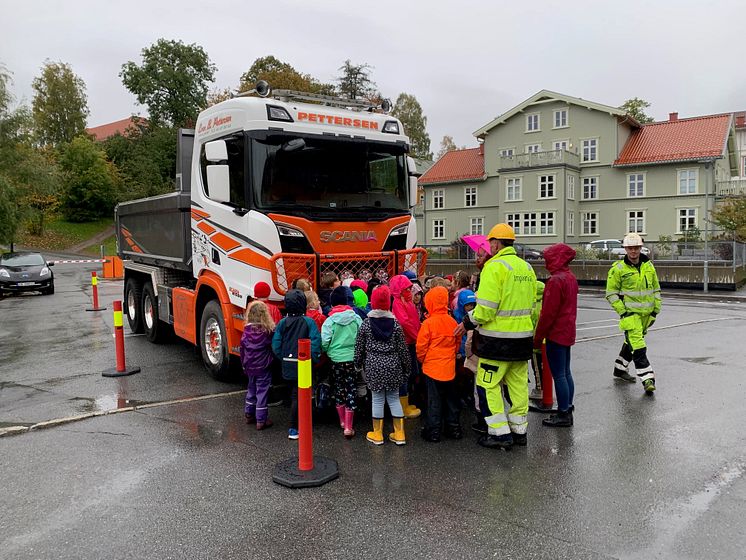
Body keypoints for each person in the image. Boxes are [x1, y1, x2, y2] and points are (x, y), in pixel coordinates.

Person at [455, 223, 537, 450]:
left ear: (496, 243)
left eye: (491, 242)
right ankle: (519, 431)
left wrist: (466, 322)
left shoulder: (494, 267)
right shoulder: (526, 268)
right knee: (518, 386)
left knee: (487, 385)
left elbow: (486, 310)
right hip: (522, 341)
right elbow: (531, 305)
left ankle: (499, 434)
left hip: (496, 343)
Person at [605, 232, 662, 394]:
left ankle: (619, 368)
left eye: (636, 248)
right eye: (630, 248)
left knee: (631, 342)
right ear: (625, 249)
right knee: (638, 347)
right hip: (631, 316)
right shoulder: (618, 269)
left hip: (647, 315)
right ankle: (648, 379)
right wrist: (624, 312)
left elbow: (656, 289)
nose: (633, 251)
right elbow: (611, 294)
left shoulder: (648, 266)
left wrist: (656, 309)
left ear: (640, 248)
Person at [354, 285, 411, 445]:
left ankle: (377, 434)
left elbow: (359, 347)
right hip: (393, 365)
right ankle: (399, 434)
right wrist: (407, 368)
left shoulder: (366, 324)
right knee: (394, 398)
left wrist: (357, 364)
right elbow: (403, 349)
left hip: (373, 365)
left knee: (377, 399)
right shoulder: (396, 325)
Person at [533, 244, 578, 427]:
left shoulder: (555, 281)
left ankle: (563, 414)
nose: (545, 263)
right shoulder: (570, 278)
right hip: (567, 330)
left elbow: (547, 314)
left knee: (558, 374)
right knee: (566, 372)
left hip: (556, 333)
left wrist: (538, 337)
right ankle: (567, 406)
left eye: (547, 259)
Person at [272, 289, 322, 439]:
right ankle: (296, 427)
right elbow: (315, 342)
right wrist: (314, 359)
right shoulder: (308, 322)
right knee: (301, 395)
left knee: (293, 394)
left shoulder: (282, 323)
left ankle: (296, 427)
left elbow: (276, 344)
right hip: (304, 363)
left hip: (288, 363)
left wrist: (283, 358)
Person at [417, 286, 461, 442]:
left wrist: (424, 361)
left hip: (432, 368)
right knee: (451, 400)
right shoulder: (452, 321)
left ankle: (433, 431)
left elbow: (421, 347)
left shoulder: (428, 323)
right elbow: (457, 341)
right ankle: (453, 428)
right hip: (449, 368)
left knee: (433, 401)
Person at [322, 286, 363, 438]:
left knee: (339, 389)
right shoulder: (356, 318)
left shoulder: (329, 321)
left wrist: (328, 350)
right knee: (351, 389)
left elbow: (325, 341)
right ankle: (349, 426)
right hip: (352, 360)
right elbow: (361, 337)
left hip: (336, 360)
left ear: (332, 304)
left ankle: (342, 422)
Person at [389, 274, 422, 418]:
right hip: (406, 343)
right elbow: (404, 322)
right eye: (407, 288)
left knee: (411, 373)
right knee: (404, 375)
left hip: (412, 341)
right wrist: (418, 336)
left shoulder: (406, 301)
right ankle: (403, 407)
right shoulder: (398, 302)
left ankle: (405, 403)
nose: (410, 290)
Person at [240, 301, 276, 430]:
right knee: (262, 391)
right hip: (263, 366)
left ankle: (249, 413)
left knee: (251, 389)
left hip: (249, 366)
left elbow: (242, 350)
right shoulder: (267, 332)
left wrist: (243, 364)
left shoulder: (246, 332)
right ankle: (261, 419)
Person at [529, 281, 545, 402]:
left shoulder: (532, 306)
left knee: (537, 368)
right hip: (545, 343)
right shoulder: (545, 305)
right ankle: (544, 387)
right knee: (544, 366)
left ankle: (539, 389)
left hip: (535, 343)